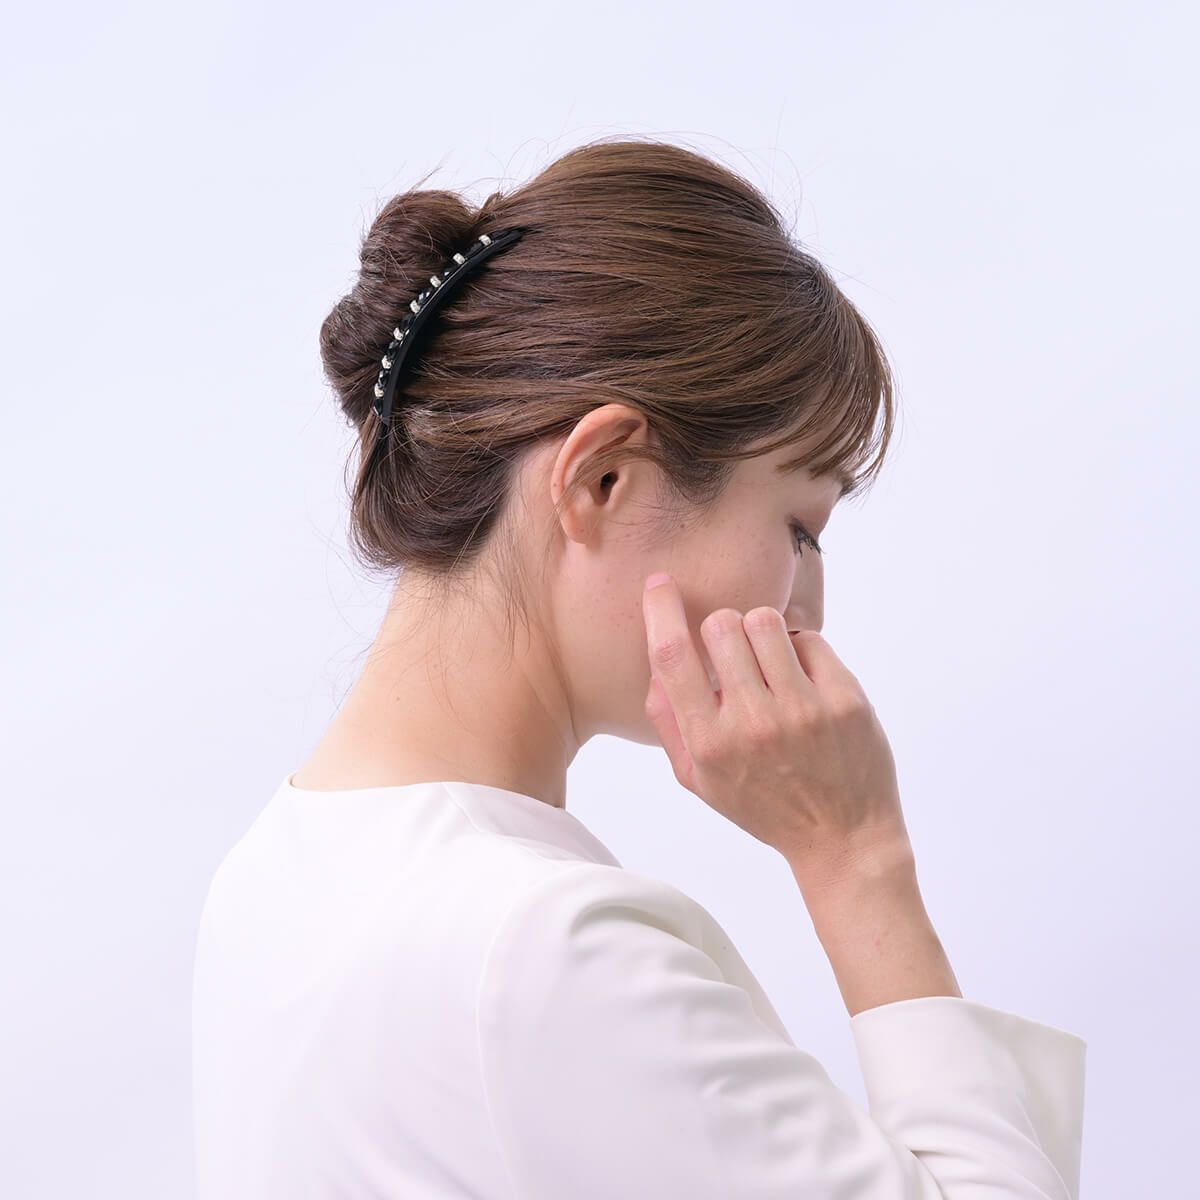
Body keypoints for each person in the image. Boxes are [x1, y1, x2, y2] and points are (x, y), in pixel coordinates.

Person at [191, 137, 1086, 1198]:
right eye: (800, 529)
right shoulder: (545, 947)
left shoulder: (270, 876)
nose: (809, 611)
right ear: (603, 480)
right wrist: (858, 857)